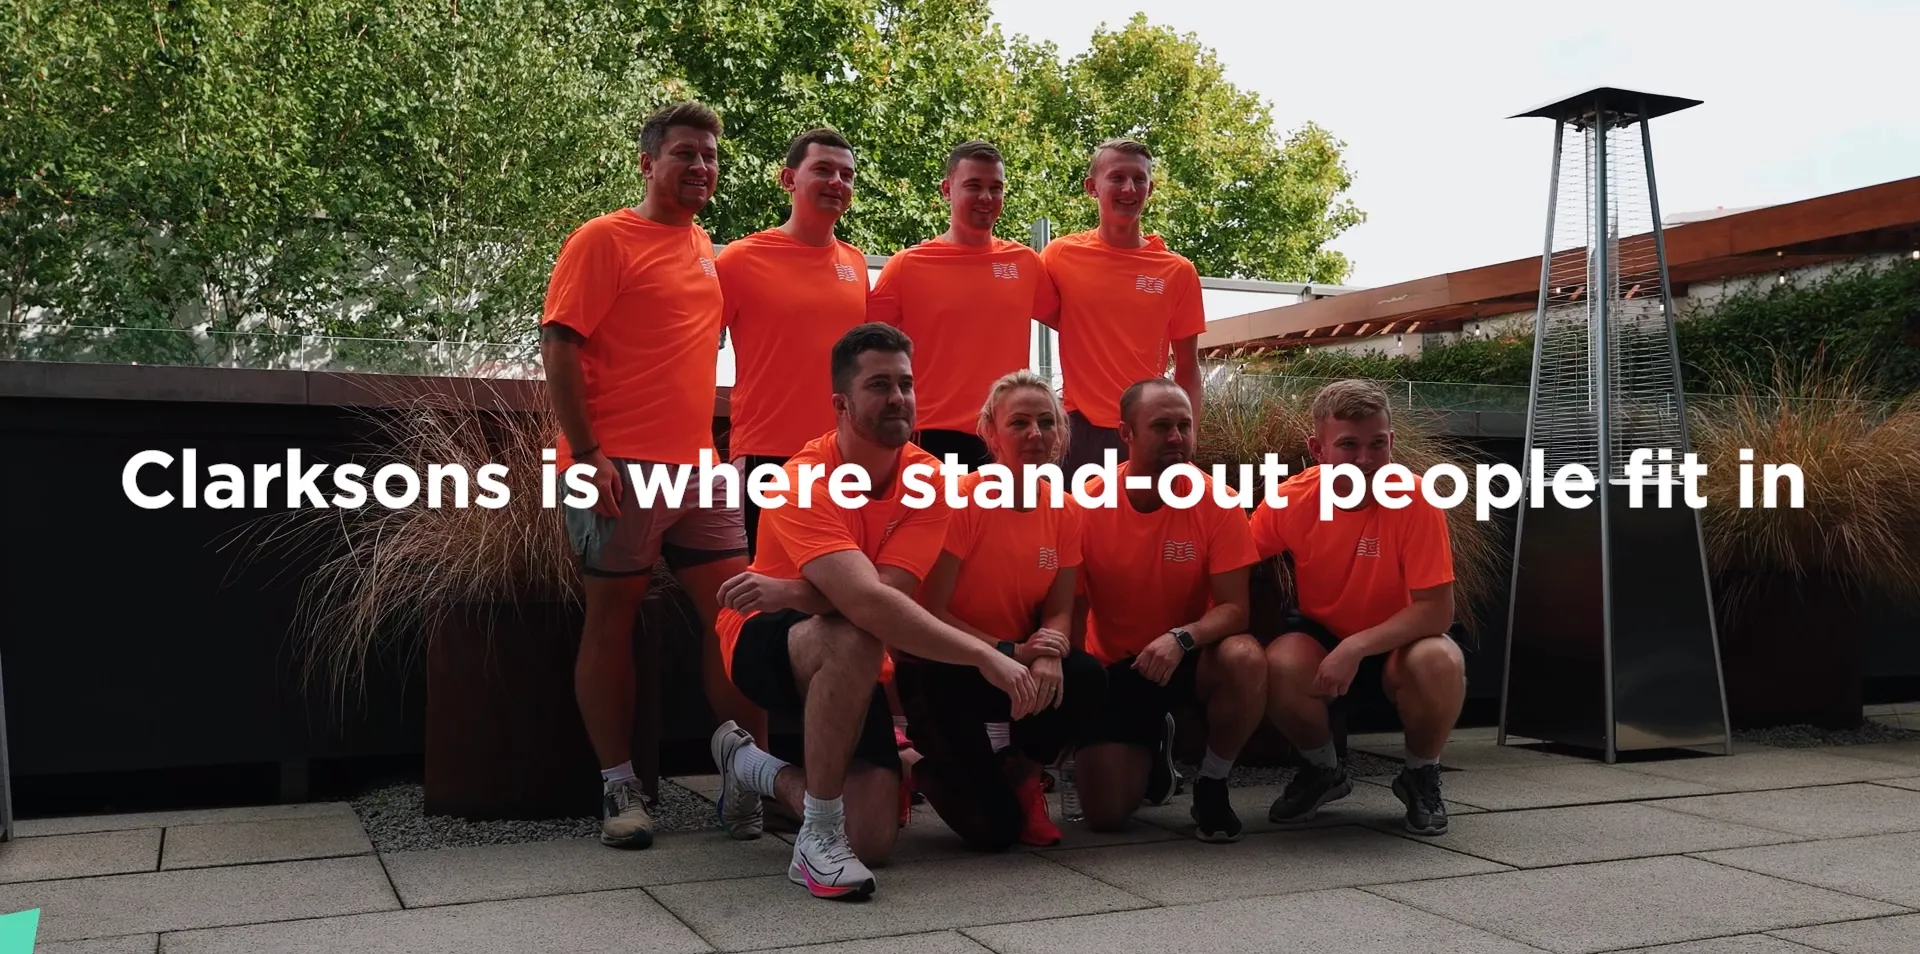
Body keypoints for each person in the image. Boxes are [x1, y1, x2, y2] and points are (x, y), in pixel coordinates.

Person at [709, 323, 1041, 901]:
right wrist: (988, 657)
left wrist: (795, 591)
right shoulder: (800, 478)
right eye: (879, 385)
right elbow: (867, 604)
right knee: (856, 633)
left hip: (842, 644)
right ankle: (815, 839)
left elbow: (886, 595)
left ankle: (748, 765)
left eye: (907, 384)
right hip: (763, 638)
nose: (898, 398)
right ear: (841, 403)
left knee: (874, 843)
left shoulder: (929, 479)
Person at [539, 101, 767, 850]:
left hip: (696, 471)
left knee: (739, 619)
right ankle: (619, 788)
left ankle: (749, 779)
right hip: (614, 466)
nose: (700, 167)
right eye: (684, 154)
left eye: (709, 156)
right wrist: (588, 452)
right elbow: (559, 345)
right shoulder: (604, 239)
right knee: (611, 623)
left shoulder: (705, 247)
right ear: (647, 162)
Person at [894, 370, 1107, 852]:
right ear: (990, 432)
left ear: (1060, 433)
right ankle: (907, 766)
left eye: (1046, 422)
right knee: (993, 835)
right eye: (1019, 423)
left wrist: (1050, 652)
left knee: (1086, 675)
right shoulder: (960, 501)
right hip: (945, 667)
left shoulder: (1068, 510)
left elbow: (1059, 607)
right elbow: (930, 611)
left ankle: (1025, 780)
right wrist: (1009, 649)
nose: (1035, 434)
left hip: (1016, 667)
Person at [1251, 378, 1466, 836]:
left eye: (1378, 444)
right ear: (1318, 448)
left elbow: (1436, 612)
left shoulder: (1416, 497)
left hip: (1399, 643)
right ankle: (1323, 771)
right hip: (1321, 636)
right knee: (1274, 664)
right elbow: (1234, 559)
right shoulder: (1290, 499)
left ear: (1391, 442)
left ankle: (1421, 774)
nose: (1366, 460)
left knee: (1440, 660)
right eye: (1348, 445)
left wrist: (1357, 647)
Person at [1071, 378, 1266, 842]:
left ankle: (1213, 782)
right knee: (1105, 818)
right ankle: (1157, 744)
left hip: (1189, 657)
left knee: (1245, 656)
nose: (1177, 437)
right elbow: (1073, 613)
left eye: (1185, 425)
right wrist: (1076, 698)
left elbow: (1236, 609)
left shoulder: (1217, 501)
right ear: (1126, 434)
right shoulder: (1086, 505)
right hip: (1118, 666)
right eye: (1161, 426)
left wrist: (1181, 638)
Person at [717, 126, 872, 558]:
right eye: (822, 170)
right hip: (768, 454)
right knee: (769, 591)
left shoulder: (855, 264)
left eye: (847, 175)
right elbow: (696, 348)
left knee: (839, 596)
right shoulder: (741, 258)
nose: (836, 183)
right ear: (789, 179)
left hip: (842, 458)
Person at [868, 140, 1059, 470]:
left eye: (995, 188)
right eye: (974, 186)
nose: (986, 198)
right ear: (947, 189)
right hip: (932, 438)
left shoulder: (1025, 263)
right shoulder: (908, 266)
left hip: (1006, 437)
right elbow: (865, 353)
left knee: (1009, 523)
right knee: (939, 524)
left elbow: (1079, 326)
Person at [1036, 137, 1206, 478]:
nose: (1129, 188)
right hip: (1077, 431)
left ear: (1150, 188)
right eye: (1116, 177)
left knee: (1145, 529)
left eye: (1139, 179)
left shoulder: (1177, 271)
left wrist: (1187, 442)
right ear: (1092, 187)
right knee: (1077, 530)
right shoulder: (1059, 255)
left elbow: (1188, 367)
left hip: (1147, 431)